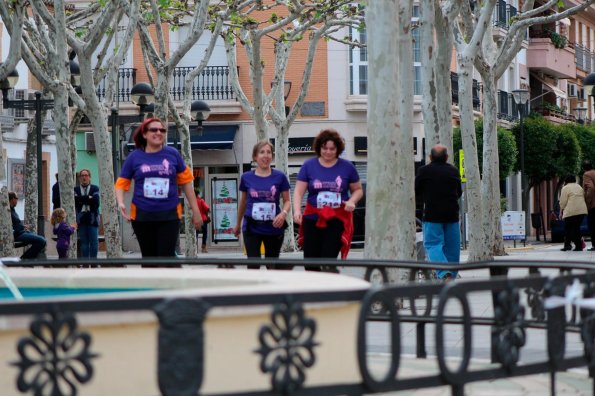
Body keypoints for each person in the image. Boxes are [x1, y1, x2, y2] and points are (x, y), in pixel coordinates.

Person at [115, 118, 203, 258]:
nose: (158, 132)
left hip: (169, 215)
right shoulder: (134, 157)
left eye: (162, 130)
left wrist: (196, 211)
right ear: (144, 134)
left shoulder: (173, 154)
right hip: (142, 216)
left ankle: (168, 277)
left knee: (165, 256)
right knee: (149, 257)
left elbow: (186, 183)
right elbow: (121, 183)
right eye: (154, 130)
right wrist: (120, 203)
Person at [293, 129, 363, 271]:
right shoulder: (309, 166)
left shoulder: (347, 167)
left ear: (338, 149)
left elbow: (358, 190)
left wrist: (352, 201)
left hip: (336, 218)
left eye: (332, 149)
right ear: (319, 147)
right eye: (325, 148)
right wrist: (296, 211)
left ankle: (329, 289)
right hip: (313, 218)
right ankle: (313, 291)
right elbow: (298, 191)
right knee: (311, 263)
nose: (328, 152)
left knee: (328, 260)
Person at [234, 141, 291, 269]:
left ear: (272, 156)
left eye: (268, 152)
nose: (265, 156)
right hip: (252, 227)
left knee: (272, 266)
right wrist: (238, 224)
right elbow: (243, 202)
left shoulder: (280, 176)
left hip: (273, 227)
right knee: (253, 265)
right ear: (255, 157)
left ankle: (270, 289)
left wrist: (283, 214)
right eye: (262, 152)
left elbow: (287, 201)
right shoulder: (246, 177)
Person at [415, 144, 462, 280]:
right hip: (452, 214)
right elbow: (458, 192)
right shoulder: (453, 171)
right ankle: (451, 276)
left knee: (432, 244)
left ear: (430, 157)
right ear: (447, 157)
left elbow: (416, 190)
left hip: (432, 215)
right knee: (452, 248)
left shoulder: (424, 171)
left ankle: (443, 272)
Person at [9, 192, 47, 259]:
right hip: (18, 234)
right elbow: (13, 227)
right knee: (41, 241)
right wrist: (22, 227)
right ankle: (24, 260)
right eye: (16, 198)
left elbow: (16, 224)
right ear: (12, 199)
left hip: (22, 232)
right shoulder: (8, 211)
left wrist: (23, 227)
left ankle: (25, 259)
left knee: (43, 241)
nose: (17, 200)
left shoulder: (13, 210)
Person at [74, 169, 100, 258]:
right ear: (79, 178)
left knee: (94, 242)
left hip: (93, 219)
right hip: (81, 219)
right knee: (84, 243)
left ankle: (93, 263)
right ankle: (85, 263)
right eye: (82, 176)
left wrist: (81, 199)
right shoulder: (75, 189)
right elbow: (75, 202)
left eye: (86, 175)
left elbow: (96, 202)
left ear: (89, 177)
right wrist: (88, 198)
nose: (84, 177)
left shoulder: (95, 188)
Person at [560, 174, 587, 251]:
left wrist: (562, 209)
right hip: (582, 211)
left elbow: (563, 201)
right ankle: (577, 246)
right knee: (576, 228)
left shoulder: (565, 188)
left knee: (568, 228)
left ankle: (568, 245)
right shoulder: (579, 187)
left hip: (571, 211)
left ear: (566, 181)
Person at [582, 160, 595, 251]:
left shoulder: (587, 175)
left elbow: (590, 188)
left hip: (593, 205)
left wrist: (588, 200)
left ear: (584, 169)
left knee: (592, 225)